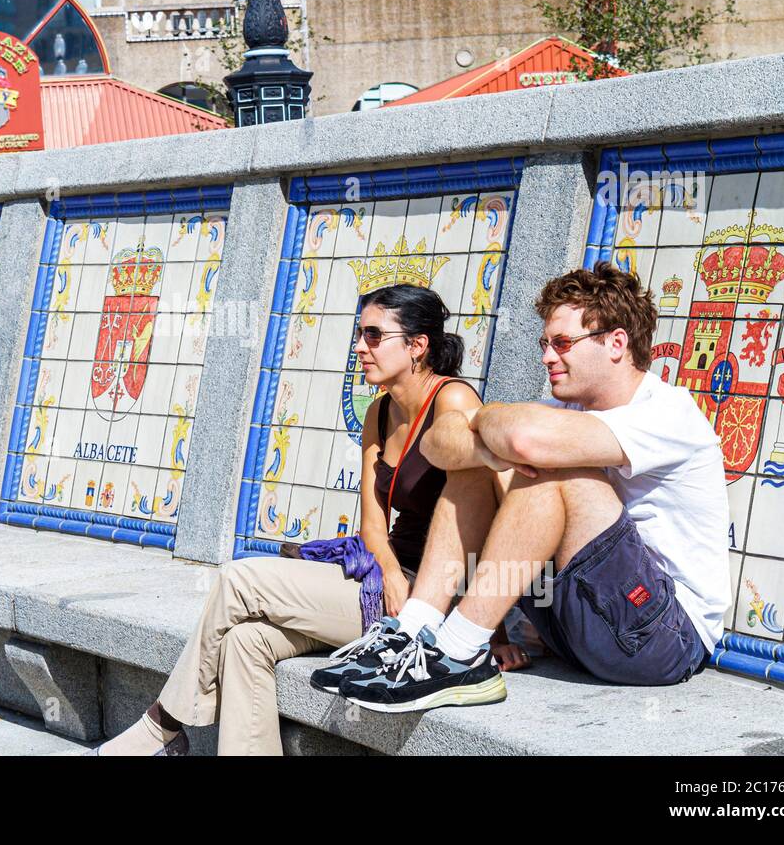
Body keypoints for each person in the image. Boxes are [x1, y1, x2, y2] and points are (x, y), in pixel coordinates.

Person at [91, 283, 528, 756]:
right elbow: (373, 525)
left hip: (429, 605)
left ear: (418, 345)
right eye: (360, 335)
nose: (360, 347)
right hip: (386, 583)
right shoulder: (379, 413)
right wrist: (386, 573)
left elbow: (491, 513)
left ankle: (161, 728)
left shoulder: (454, 402)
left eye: (375, 335)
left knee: (239, 580)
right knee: (246, 640)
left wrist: (491, 630)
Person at [331, 262, 729, 713]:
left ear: (616, 343)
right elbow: (438, 444)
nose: (547, 356)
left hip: (661, 636)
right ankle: (413, 629)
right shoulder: (567, 409)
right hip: (572, 621)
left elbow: (524, 439)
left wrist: (484, 424)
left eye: (562, 343)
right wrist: (484, 446)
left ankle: (460, 650)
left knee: (549, 468)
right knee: (478, 462)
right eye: (545, 343)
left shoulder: (667, 413)